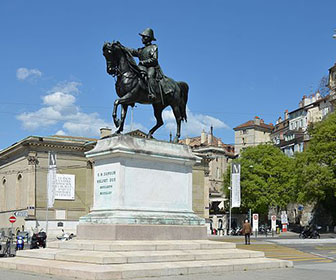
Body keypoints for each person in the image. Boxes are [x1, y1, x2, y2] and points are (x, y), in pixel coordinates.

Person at [126, 28, 160, 100]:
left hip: (151, 67)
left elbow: (154, 60)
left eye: (144, 37)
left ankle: (152, 93)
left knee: (150, 76)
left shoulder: (153, 47)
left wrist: (143, 62)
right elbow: (133, 51)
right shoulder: (141, 50)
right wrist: (123, 48)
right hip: (142, 67)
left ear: (148, 38)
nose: (142, 38)